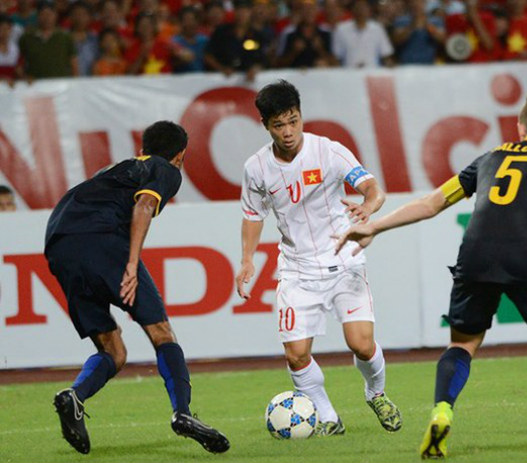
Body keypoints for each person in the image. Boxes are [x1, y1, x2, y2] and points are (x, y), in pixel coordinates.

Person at [334, 91, 527, 458]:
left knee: (462, 344)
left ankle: (443, 410)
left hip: (475, 253)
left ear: (520, 128)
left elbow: (432, 203)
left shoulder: (491, 157)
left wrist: (375, 226)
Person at [45, 121, 230, 455]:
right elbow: (144, 205)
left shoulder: (116, 169)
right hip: (102, 239)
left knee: (113, 351)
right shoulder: (165, 169)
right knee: (161, 332)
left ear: (143, 148)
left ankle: (74, 396)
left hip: (59, 245)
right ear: (181, 155)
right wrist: (131, 264)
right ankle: (183, 413)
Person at [236, 80, 401, 436]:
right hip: (297, 271)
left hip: (344, 260)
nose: (288, 131)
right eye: (278, 125)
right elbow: (253, 215)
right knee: (296, 354)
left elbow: (373, 188)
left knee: (361, 344)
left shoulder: (329, 151)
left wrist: (368, 206)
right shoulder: (256, 168)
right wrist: (247, 260)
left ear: (300, 115)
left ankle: (376, 393)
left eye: (293, 121)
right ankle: (328, 417)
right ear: (265, 125)